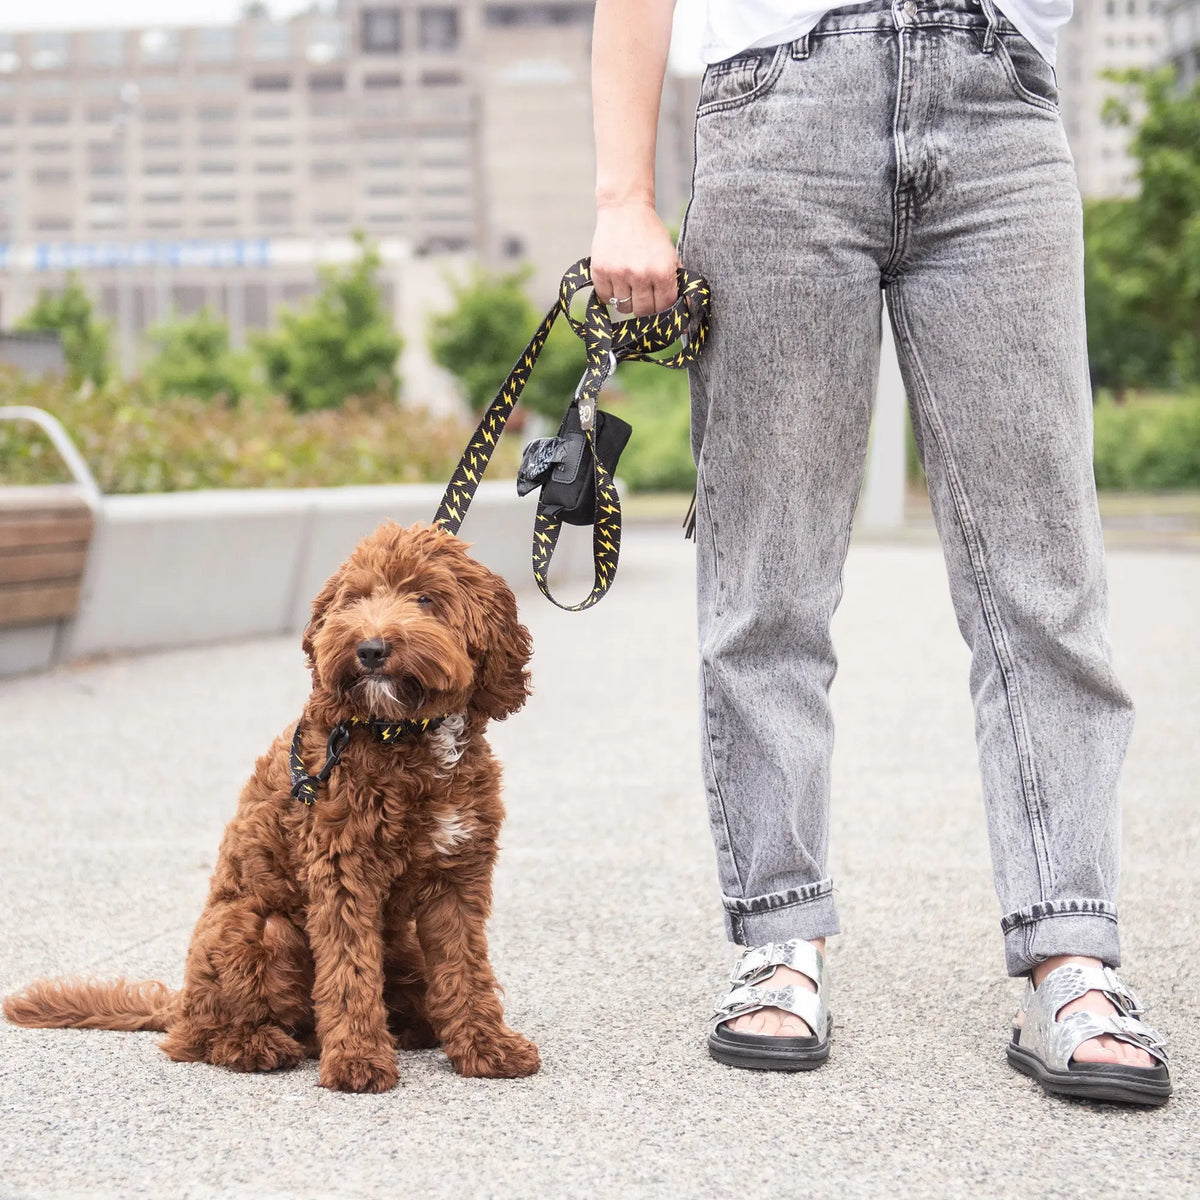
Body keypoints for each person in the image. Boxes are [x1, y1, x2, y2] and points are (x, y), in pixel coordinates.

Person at [588, 0, 1171, 1104]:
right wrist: (624, 194)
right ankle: (779, 936)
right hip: (779, 108)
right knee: (771, 576)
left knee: (1043, 581)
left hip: (998, 97)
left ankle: (1073, 957)